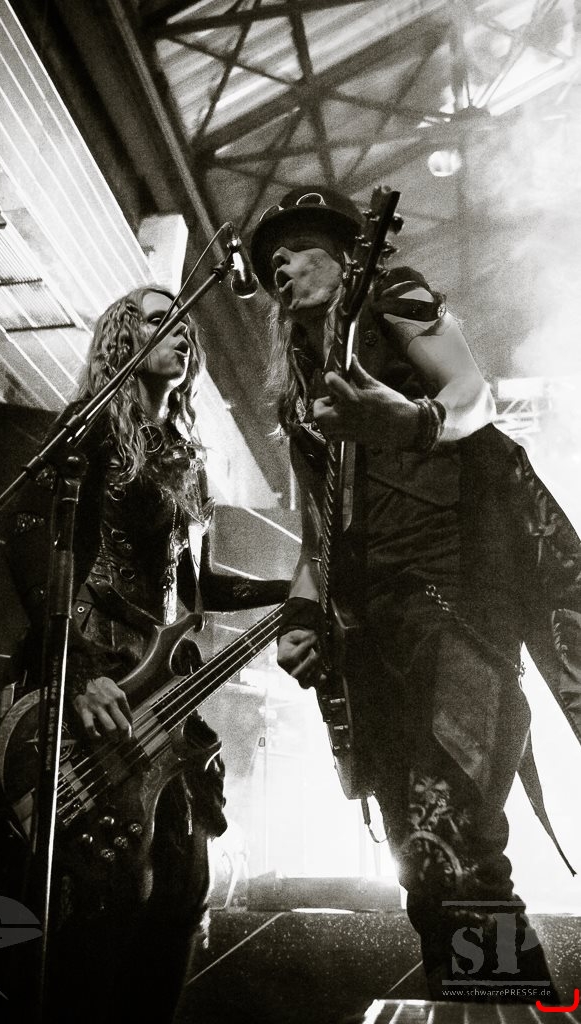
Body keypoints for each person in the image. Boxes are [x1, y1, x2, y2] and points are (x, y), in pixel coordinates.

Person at [249, 186, 581, 1003]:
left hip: (454, 606)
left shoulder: (393, 295)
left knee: (455, 835)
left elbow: (472, 397)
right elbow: (318, 536)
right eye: (272, 262)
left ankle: (501, 1007)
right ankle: (471, 1005)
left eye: (300, 248)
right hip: (374, 630)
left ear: (347, 254)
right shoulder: (302, 392)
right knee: (417, 855)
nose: (283, 268)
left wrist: (411, 422)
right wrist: (299, 615)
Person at [0, 285, 288, 1023]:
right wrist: (77, 672)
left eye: (187, 325)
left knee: (184, 884)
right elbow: (32, 547)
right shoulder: (89, 428)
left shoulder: (182, 457)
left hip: (159, 689)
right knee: (108, 892)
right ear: (124, 337)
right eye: (162, 320)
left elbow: (199, 585)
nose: (182, 333)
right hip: (95, 672)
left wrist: (296, 590)